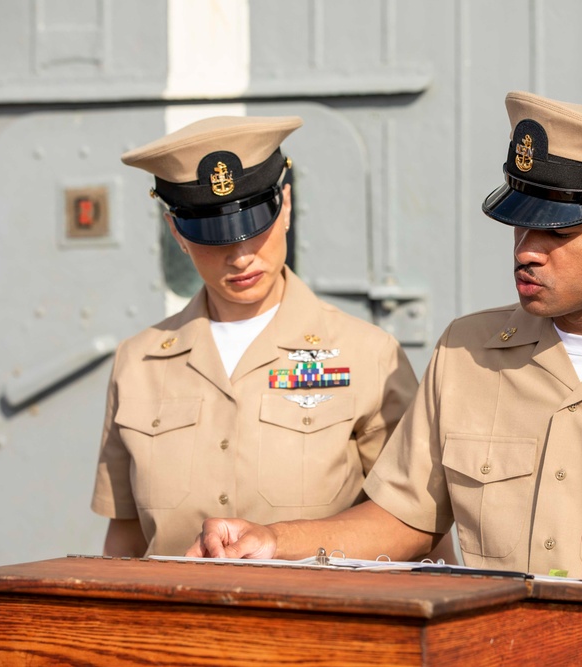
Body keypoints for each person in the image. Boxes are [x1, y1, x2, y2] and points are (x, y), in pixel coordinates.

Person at [185, 92, 582, 667]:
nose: (527, 249)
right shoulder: (467, 352)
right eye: (519, 221)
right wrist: (270, 541)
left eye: (558, 230)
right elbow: (401, 521)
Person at [90, 115, 418, 557]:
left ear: (285, 204)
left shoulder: (369, 356)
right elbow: (126, 542)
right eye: (213, 236)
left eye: (255, 227)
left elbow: (409, 524)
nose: (241, 256)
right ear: (177, 234)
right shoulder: (138, 364)